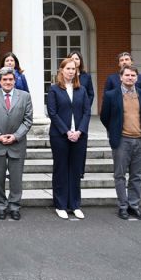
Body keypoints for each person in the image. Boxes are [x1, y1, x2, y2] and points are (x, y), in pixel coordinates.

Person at [0, 67, 33, 221]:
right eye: (5, 79)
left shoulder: (25, 96)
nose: (8, 82)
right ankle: (0, 205)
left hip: (16, 143)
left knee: (16, 178)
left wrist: (16, 136)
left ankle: (14, 205)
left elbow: (28, 120)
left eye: (11, 79)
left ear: (15, 80)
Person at [100, 65, 141, 220]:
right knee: (120, 175)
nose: (130, 78)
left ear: (137, 78)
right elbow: (104, 117)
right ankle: (123, 206)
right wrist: (115, 131)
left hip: (140, 140)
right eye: (127, 75)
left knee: (137, 175)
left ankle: (134, 206)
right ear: (120, 77)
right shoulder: (111, 95)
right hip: (121, 140)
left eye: (133, 75)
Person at [47, 58, 91, 220]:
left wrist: (79, 131)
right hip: (60, 136)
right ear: (61, 70)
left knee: (76, 170)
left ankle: (75, 204)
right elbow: (53, 113)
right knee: (61, 169)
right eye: (68, 69)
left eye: (73, 69)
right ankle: (60, 204)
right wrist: (67, 132)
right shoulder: (54, 90)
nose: (71, 71)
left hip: (79, 136)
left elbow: (87, 112)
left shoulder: (82, 90)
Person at [70, 50, 94, 179]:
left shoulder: (86, 77)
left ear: (80, 61)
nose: (75, 60)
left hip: (82, 114)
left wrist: (86, 108)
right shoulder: (65, 75)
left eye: (77, 59)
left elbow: (91, 94)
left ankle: (80, 170)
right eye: (72, 58)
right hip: (68, 113)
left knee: (81, 141)